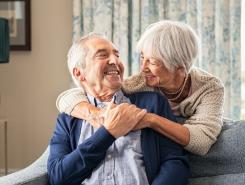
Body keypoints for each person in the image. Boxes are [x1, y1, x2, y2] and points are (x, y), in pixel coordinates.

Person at [56, 20, 224, 156]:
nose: (143, 68)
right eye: (142, 57)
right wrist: (95, 114)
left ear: (179, 66)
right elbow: (69, 97)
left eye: (152, 61)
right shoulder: (140, 82)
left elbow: (201, 142)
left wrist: (150, 120)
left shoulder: (209, 87)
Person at [48, 33, 189, 185]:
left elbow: (175, 163)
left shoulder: (152, 103)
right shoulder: (68, 119)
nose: (115, 61)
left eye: (117, 55)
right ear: (79, 73)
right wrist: (108, 133)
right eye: (102, 55)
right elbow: (58, 176)